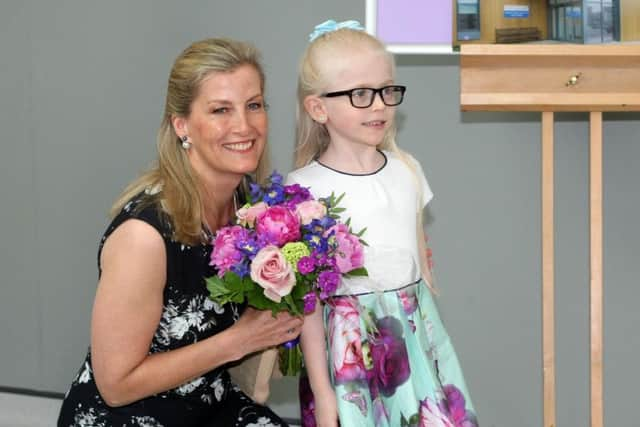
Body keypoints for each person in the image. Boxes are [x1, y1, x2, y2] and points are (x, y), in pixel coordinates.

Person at [57, 38, 303, 427]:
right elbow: (115, 385)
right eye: (221, 110)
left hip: (209, 401)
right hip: (127, 414)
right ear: (181, 124)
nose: (244, 125)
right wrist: (237, 341)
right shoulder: (144, 236)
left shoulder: (251, 210)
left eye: (253, 105)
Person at [287, 20, 479, 427]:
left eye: (387, 91)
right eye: (360, 94)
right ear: (318, 107)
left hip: (415, 346)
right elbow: (308, 306)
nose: (379, 106)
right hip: (348, 355)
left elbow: (421, 268)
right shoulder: (303, 190)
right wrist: (323, 394)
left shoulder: (407, 171)